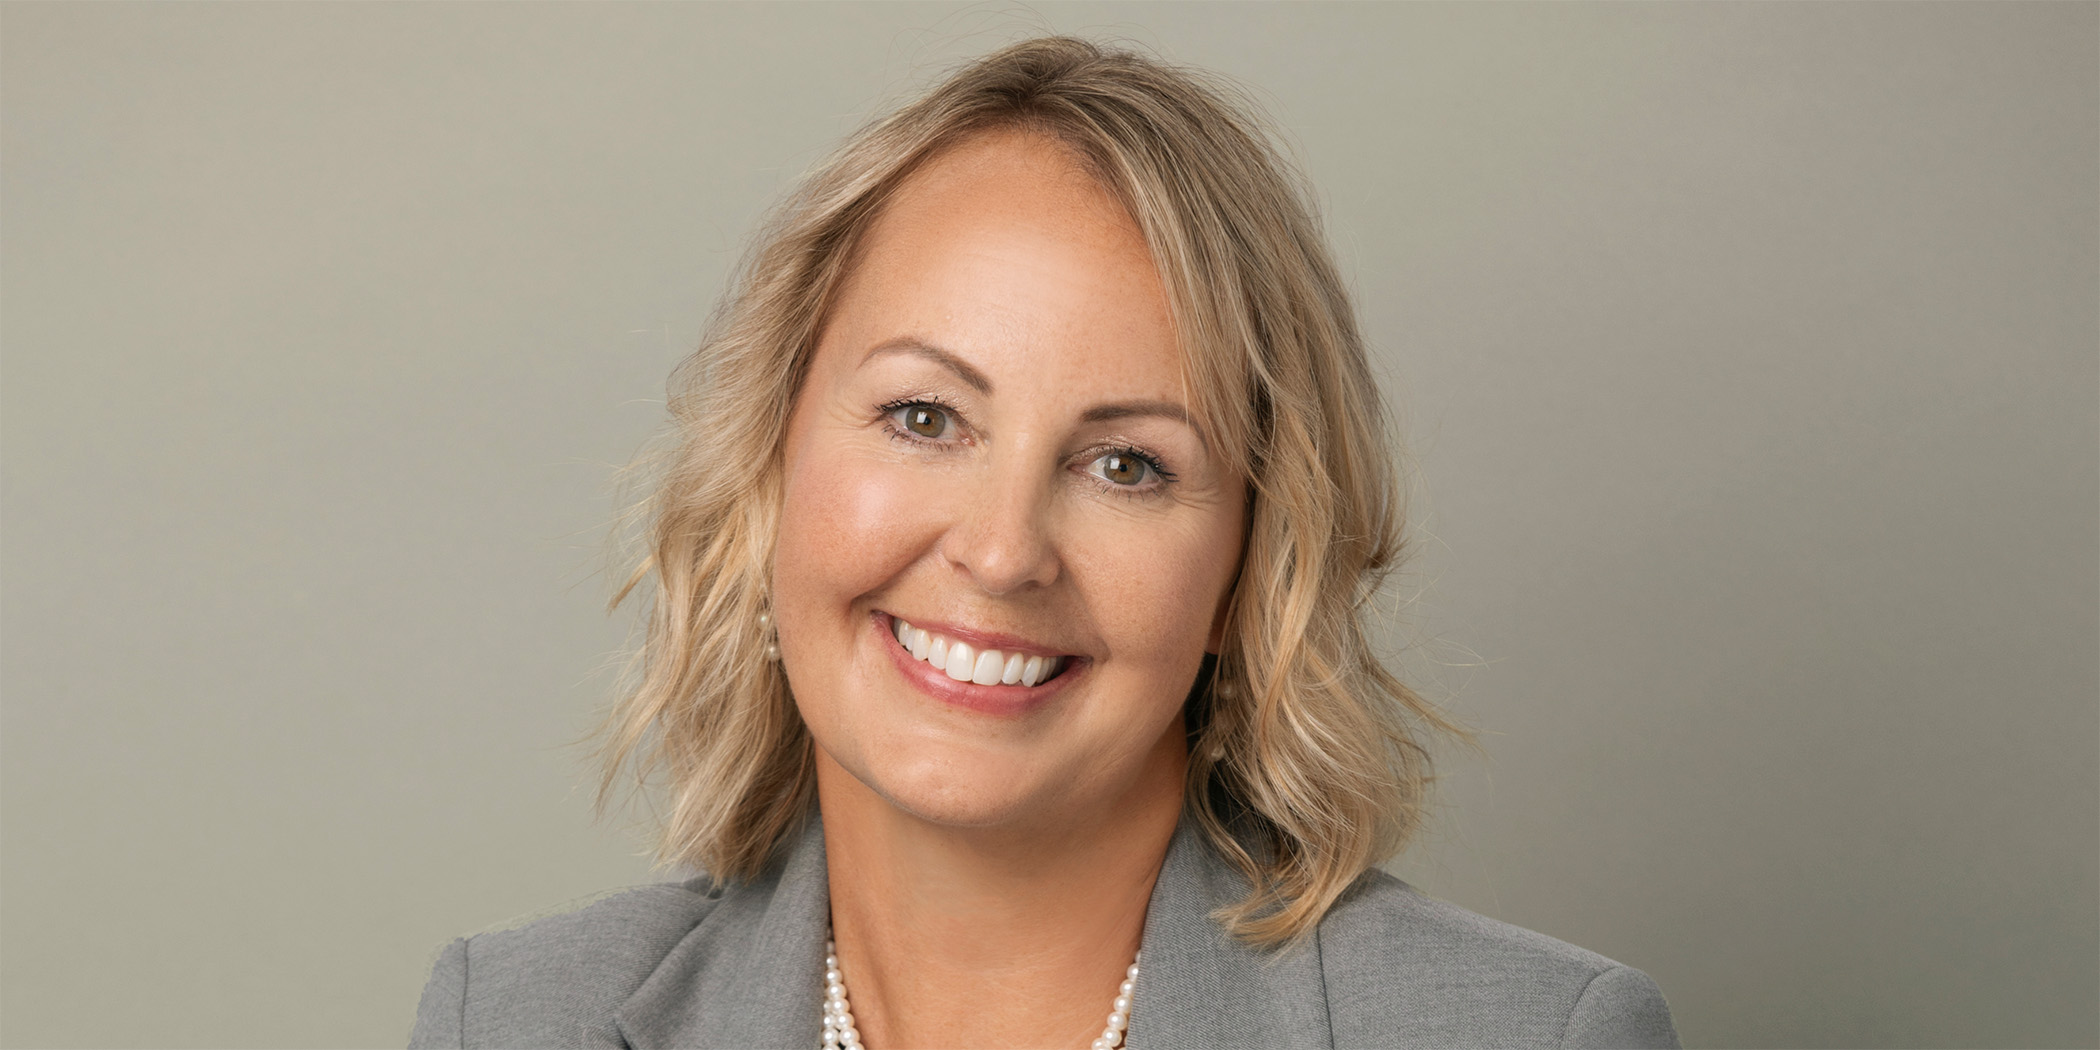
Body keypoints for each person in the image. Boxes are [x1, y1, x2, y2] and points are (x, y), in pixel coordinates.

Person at [410, 36, 1679, 1050]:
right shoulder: (511, 1023)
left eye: (1128, 465)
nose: (1005, 551)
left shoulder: (1535, 1037)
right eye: (924, 416)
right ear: (770, 462)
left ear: (1254, 565)